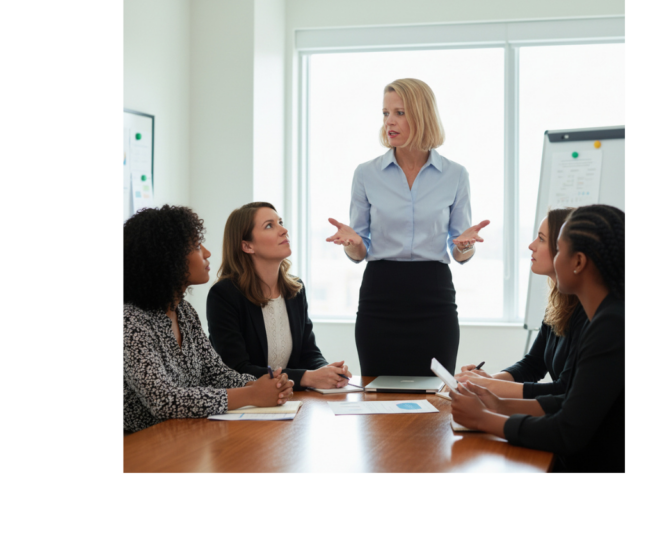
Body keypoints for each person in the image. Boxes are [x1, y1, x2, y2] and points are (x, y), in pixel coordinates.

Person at [326, 77, 489, 376]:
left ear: (422, 115)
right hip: (380, 294)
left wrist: (465, 246)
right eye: (386, 113)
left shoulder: (455, 174)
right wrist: (352, 242)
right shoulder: (365, 174)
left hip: (434, 295)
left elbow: (459, 251)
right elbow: (359, 251)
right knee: (377, 396)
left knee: (434, 397)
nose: (390, 122)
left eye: (399, 113)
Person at [451, 204, 625, 472]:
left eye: (555, 246)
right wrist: (497, 403)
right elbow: (570, 401)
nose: (532, 247)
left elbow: (567, 429)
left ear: (577, 262)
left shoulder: (610, 324)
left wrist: (484, 419)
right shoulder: (605, 316)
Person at [124, 205, 293, 434]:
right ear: (166, 259)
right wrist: (251, 394)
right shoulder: (130, 322)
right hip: (139, 448)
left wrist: (260, 384)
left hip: (182, 437)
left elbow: (215, 372)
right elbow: (164, 400)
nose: (207, 253)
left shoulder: (184, 311)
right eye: (195, 246)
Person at [207, 202, 351, 390]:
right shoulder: (224, 295)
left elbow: (308, 352)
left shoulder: (295, 289)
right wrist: (306, 378)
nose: (284, 230)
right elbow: (236, 370)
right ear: (247, 246)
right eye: (269, 225)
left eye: (280, 222)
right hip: (245, 406)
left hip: (288, 401)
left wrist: (327, 371)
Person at [455, 207, 588, 408]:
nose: (531, 246)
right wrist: (489, 381)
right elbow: (532, 365)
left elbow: (564, 389)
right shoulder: (558, 303)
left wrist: (488, 386)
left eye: (541, 239)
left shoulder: (588, 311)